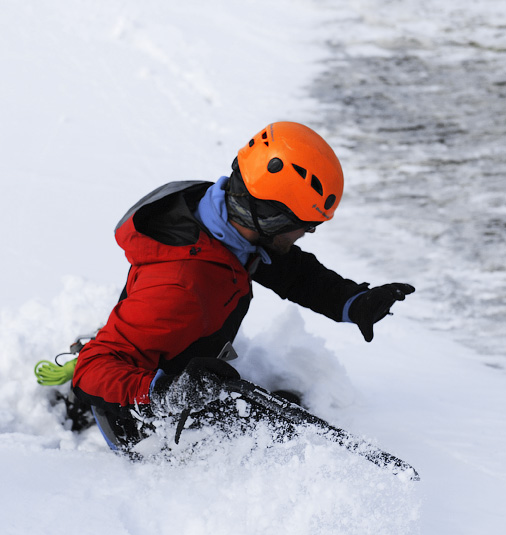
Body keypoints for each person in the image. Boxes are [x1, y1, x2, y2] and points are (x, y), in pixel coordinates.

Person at [71, 122, 414, 452]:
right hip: (142, 423)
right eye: (304, 225)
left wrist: (352, 302)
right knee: (275, 443)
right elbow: (92, 368)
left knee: (276, 423)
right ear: (270, 218)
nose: (308, 233)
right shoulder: (181, 284)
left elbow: (286, 268)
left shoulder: (220, 217)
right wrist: (167, 392)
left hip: (191, 373)